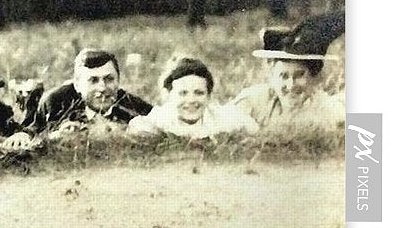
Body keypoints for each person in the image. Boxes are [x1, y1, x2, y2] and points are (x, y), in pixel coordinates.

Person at [232, 11, 345, 128]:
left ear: (314, 77)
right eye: (283, 76)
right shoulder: (253, 101)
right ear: (272, 74)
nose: (290, 85)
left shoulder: (329, 112)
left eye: (300, 75)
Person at [26, 48, 152, 138]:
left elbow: (159, 121)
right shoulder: (57, 102)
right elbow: (33, 130)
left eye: (109, 79)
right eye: (93, 80)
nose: (102, 88)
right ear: (77, 85)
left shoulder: (129, 102)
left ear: (118, 80)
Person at [128, 57, 258, 139]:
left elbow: (252, 127)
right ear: (170, 95)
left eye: (199, 93)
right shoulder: (160, 118)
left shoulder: (221, 117)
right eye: (183, 93)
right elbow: (136, 126)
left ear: (209, 96)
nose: (191, 101)